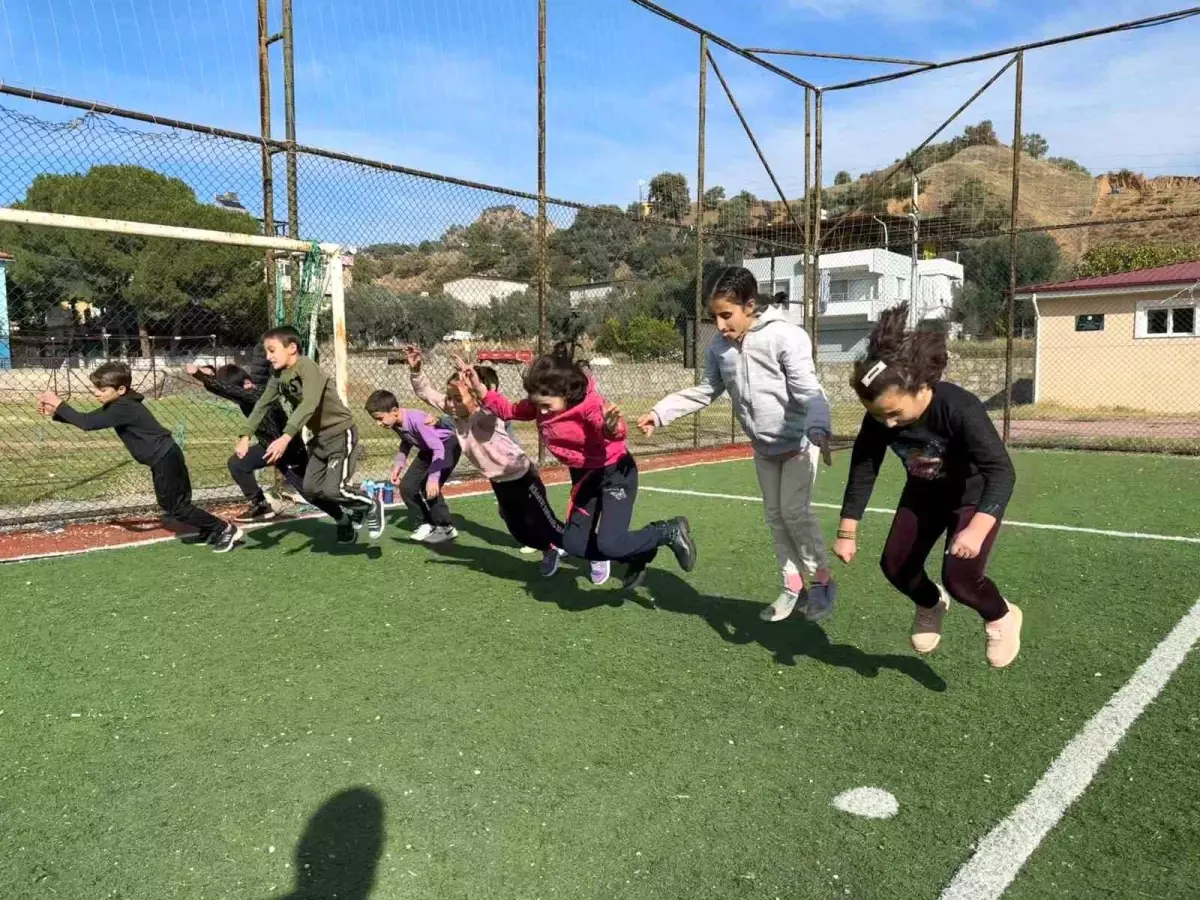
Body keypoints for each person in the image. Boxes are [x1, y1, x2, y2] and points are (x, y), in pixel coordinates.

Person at [638, 266, 836, 623]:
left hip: (800, 444)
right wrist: (661, 411)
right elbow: (707, 389)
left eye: (726, 315)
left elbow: (811, 391)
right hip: (764, 448)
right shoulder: (720, 347)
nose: (719, 325)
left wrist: (819, 425)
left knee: (794, 513)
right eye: (714, 316)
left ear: (749, 305)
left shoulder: (786, 337)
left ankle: (822, 581)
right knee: (775, 518)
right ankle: (793, 585)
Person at [833, 303, 1021, 668]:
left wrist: (978, 529)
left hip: (973, 498)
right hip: (924, 494)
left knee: (961, 577)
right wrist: (847, 529)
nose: (886, 424)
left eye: (893, 413)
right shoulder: (878, 418)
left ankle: (1002, 617)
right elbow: (864, 467)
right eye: (877, 415)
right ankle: (930, 603)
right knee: (895, 565)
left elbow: (1001, 471)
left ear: (920, 388)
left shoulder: (960, 408)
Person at [466, 343, 696, 591]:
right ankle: (636, 553)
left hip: (615, 473)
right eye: (537, 405)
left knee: (610, 543)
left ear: (566, 394)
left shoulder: (589, 405)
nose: (541, 412)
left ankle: (667, 531)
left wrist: (611, 425)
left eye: (547, 406)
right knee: (573, 543)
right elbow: (509, 410)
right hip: (585, 478)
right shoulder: (540, 403)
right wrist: (480, 389)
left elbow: (614, 433)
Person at [38, 361, 242, 552]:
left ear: (120, 390)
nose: (96, 393)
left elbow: (87, 423)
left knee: (176, 506)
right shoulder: (120, 404)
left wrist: (59, 404)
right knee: (176, 504)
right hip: (165, 455)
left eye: (102, 389)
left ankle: (224, 528)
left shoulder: (123, 407)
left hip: (164, 457)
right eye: (96, 388)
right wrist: (57, 415)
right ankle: (212, 528)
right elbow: (91, 419)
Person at [403, 346, 566, 574]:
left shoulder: (485, 417)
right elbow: (426, 392)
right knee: (519, 530)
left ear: (475, 399)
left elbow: (490, 404)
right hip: (499, 481)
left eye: (457, 398)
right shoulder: (456, 410)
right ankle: (550, 550)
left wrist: (475, 386)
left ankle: (591, 549)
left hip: (522, 476)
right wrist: (417, 370)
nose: (450, 403)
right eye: (449, 398)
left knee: (545, 522)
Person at [237, 326, 384, 545]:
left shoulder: (307, 367)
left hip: (341, 433)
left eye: (272, 350)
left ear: (292, 348)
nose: (268, 357)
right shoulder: (278, 376)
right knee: (312, 489)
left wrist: (285, 437)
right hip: (320, 440)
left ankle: (371, 505)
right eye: (266, 352)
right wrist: (245, 435)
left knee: (334, 489)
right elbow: (262, 404)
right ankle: (352, 514)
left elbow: (309, 404)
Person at [187, 356, 343, 525]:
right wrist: (209, 374)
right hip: (268, 447)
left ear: (247, 383)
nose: (230, 395)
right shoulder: (245, 394)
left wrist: (199, 375)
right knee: (238, 463)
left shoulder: (257, 394)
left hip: (288, 450)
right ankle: (261, 505)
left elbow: (227, 390)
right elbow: (225, 390)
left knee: (310, 493)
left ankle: (344, 513)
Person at [364, 387, 462, 544]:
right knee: (407, 487)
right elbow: (406, 442)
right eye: (375, 419)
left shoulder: (416, 420)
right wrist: (398, 464)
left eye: (380, 418)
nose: (378, 423)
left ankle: (446, 528)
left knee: (428, 487)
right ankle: (425, 524)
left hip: (446, 446)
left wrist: (433, 477)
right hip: (428, 450)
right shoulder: (395, 422)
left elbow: (438, 448)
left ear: (394, 411)